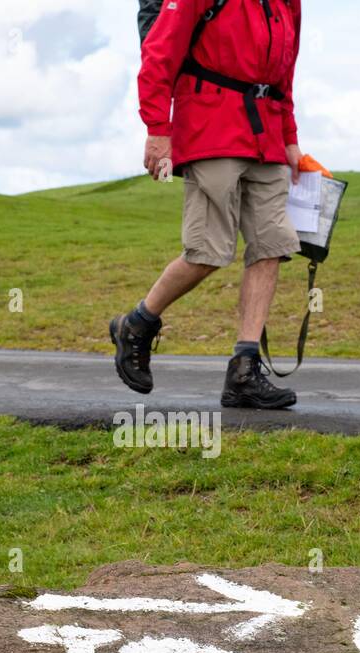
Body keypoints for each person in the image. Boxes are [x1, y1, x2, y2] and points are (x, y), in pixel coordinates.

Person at [114, 0, 303, 409]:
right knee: (208, 251)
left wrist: (289, 136)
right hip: (210, 125)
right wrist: (157, 130)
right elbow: (160, 54)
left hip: (265, 133)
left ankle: (244, 370)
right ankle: (138, 322)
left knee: (272, 245)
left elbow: (285, 74)